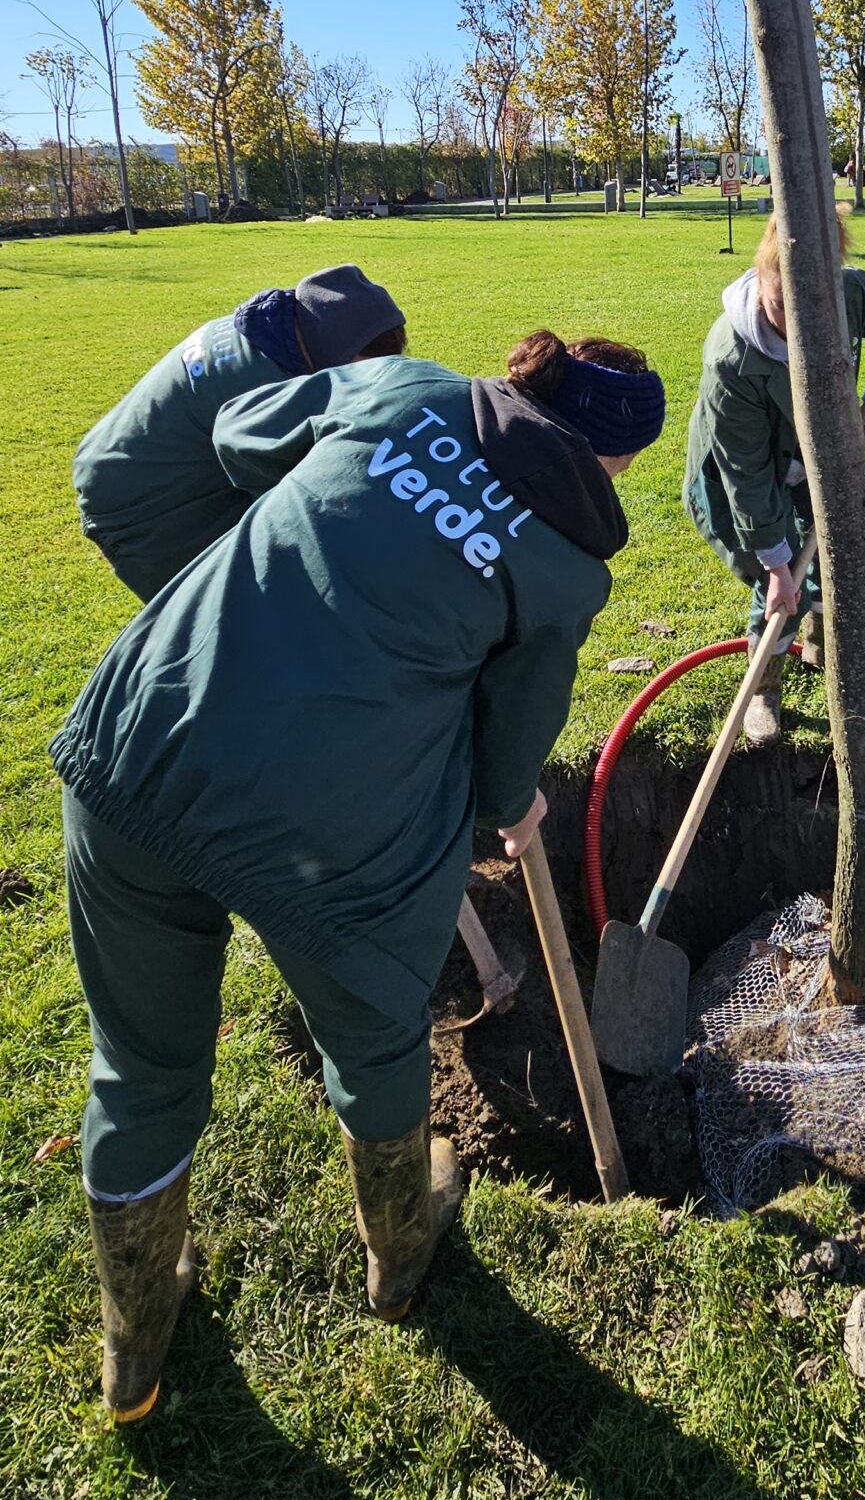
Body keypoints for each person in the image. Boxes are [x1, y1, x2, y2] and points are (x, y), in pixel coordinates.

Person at [50, 327, 665, 1421]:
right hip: (333, 837)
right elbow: (504, 765)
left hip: (146, 738)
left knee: (139, 1067)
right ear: (613, 459)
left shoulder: (402, 389)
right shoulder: (566, 569)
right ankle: (398, 1258)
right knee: (377, 1036)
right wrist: (509, 805)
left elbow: (241, 432)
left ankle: (134, 1350)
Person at [684, 211, 865, 744]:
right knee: (780, 578)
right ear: (761, 279)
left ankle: (818, 645)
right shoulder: (732, 358)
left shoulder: (850, 294)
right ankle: (763, 686)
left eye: (810, 315)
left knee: (830, 554)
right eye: (779, 307)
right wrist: (775, 565)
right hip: (737, 479)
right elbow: (746, 477)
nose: (795, 328)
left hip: (819, 458)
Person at [72, 261, 408, 602]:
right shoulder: (267, 387)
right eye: (360, 369)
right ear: (333, 349)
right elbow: (299, 498)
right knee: (231, 613)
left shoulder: (268, 330)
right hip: (141, 509)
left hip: (112, 458)